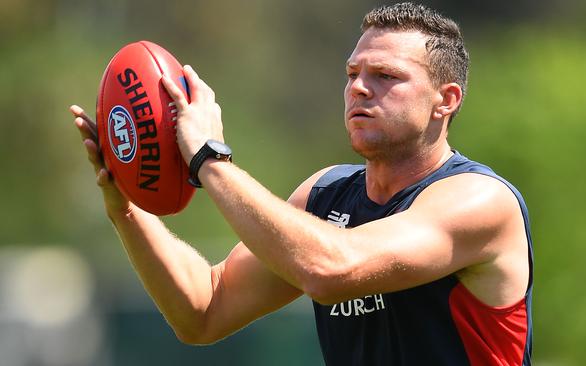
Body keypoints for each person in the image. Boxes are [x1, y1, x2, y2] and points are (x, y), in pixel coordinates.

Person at [71, 3, 533, 365]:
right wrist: (127, 206)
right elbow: (203, 311)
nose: (359, 88)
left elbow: (331, 269)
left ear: (445, 100)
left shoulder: (479, 200)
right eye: (353, 74)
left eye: (386, 76)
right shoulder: (326, 196)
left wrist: (209, 158)